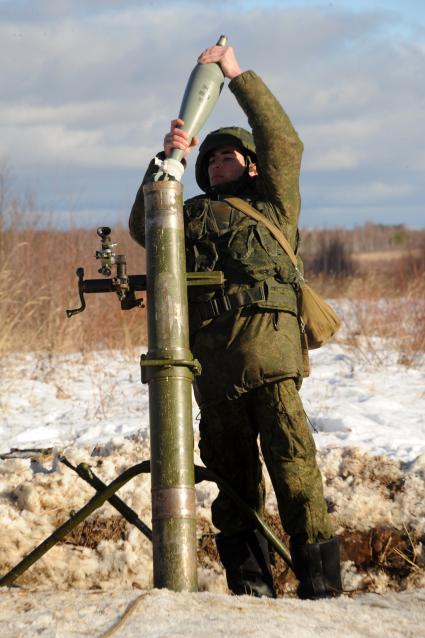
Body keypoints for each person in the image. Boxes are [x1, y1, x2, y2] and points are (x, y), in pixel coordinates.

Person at [129, 44, 342, 599]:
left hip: (270, 365)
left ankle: (321, 587)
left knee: (296, 474)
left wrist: (237, 76)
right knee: (233, 488)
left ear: (251, 165)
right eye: (212, 158)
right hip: (214, 376)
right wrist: (167, 157)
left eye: (230, 156)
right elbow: (143, 227)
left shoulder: (273, 205)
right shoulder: (188, 213)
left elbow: (285, 143)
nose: (219, 162)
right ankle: (251, 591)